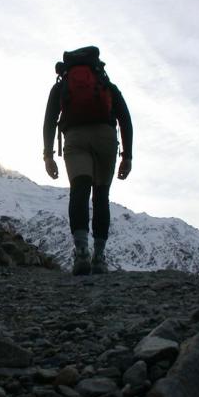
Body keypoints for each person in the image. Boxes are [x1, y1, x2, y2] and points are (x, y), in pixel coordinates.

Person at [42, 46, 133, 275]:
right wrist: (127, 156)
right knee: (101, 195)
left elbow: (49, 121)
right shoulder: (106, 85)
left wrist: (48, 156)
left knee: (79, 191)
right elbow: (125, 119)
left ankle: (81, 253)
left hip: (75, 138)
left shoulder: (61, 86)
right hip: (106, 138)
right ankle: (99, 257)